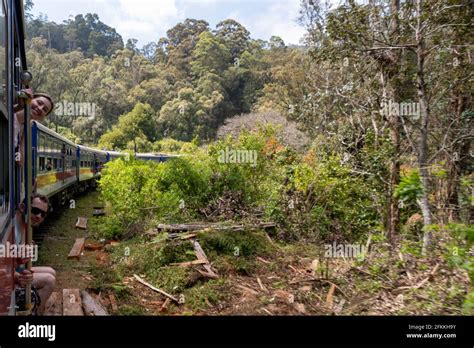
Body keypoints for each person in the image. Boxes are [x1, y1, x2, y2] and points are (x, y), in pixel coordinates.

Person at [14, 194, 56, 314]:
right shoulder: (13, 230)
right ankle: (34, 313)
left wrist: (25, 248)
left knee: (51, 271)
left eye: (43, 214)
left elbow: (16, 256)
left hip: (16, 270)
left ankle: (36, 307)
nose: (38, 216)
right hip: (11, 278)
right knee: (49, 280)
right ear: (22, 207)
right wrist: (18, 275)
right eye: (35, 211)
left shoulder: (22, 225)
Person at [14, 90, 54, 166]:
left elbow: (19, 162)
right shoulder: (10, 113)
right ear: (30, 99)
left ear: (42, 117)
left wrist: (18, 147)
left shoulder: (23, 129)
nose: (40, 108)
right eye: (39, 102)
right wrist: (19, 106)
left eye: (44, 110)